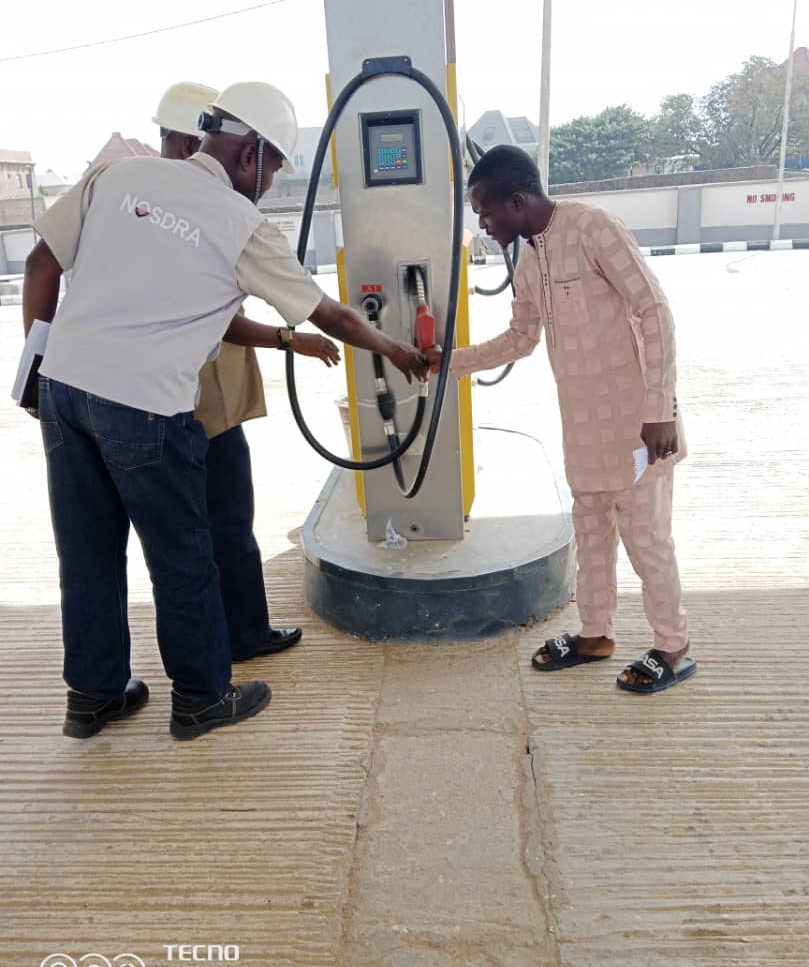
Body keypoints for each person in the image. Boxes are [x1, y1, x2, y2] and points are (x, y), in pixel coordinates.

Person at [23, 80, 428, 740]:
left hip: (63, 387)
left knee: (87, 552)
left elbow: (42, 262)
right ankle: (201, 698)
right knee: (182, 554)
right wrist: (395, 350)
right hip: (143, 406)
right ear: (250, 155)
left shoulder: (117, 175)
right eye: (272, 171)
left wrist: (36, 373)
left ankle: (93, 697)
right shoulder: (241, 224)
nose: (268, 186)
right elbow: (329, 314)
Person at [426, 145, 695, 694]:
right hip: (582, 433)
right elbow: (520, 339)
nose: (483, 226)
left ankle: (673, 646)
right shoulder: (529, 262)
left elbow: (654, 310)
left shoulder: (595, 229)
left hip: (638, 428)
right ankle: (595, 636)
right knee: (591, 539)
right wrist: (447, 363)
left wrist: (660, 408)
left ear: (516, 201)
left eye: (485, 213)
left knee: (648, 545)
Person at [154, 82, 310, 663]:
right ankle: (237, 641)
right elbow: (229, 321)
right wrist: (290, 337)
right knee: (225, 522)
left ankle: (223, 642)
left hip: (156, 400)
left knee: (187, 533)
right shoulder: (204, 210)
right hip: (200, 401)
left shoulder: (150, 200)